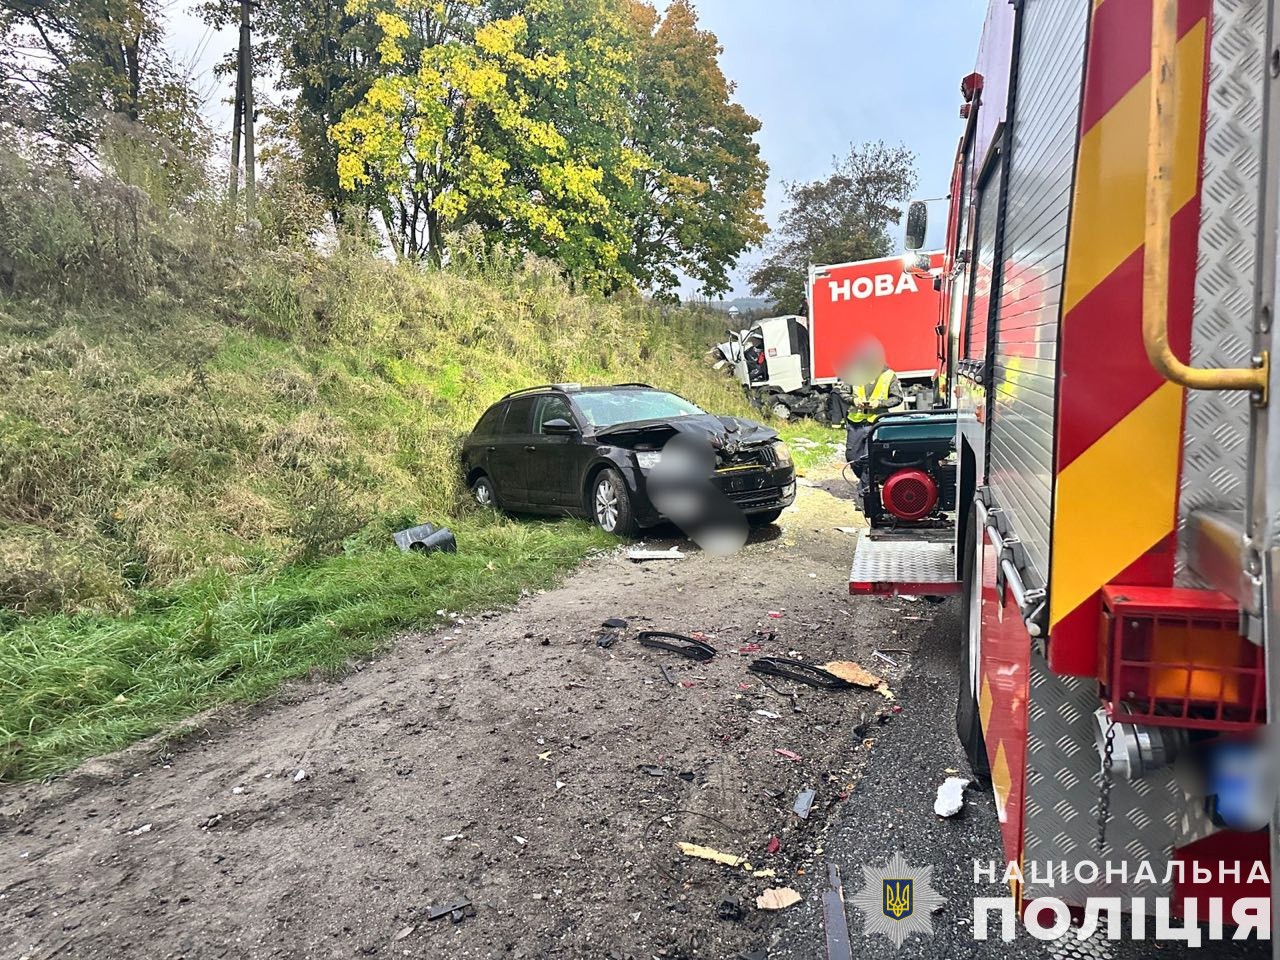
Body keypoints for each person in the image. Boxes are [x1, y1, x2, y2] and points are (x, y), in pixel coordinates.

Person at [843, 345, 902, 482]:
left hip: (877, 423)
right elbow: (843, 392)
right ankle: (868, 479)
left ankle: (866, 487)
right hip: (856, 423)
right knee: (852, 457)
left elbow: (897, 397)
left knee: (870, 459)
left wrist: (879, 404)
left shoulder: (889, 375)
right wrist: (853, 400)